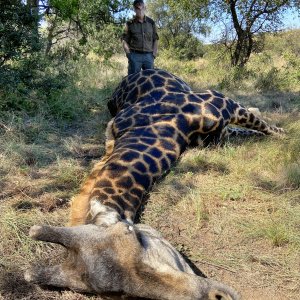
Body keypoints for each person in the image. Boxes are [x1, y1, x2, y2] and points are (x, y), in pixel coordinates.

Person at [122, 0, 159, 75]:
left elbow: (156, 39)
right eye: (138, 9)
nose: (140, 11)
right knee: (132, 80)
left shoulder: (151, 22)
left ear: (145, 8)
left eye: (142, 8)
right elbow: (124, 40)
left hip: (149, 56)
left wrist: (153, 55)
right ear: (134, 10)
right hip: (135, 56)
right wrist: (129, 55)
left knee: (150, 80)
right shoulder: (129, 24)